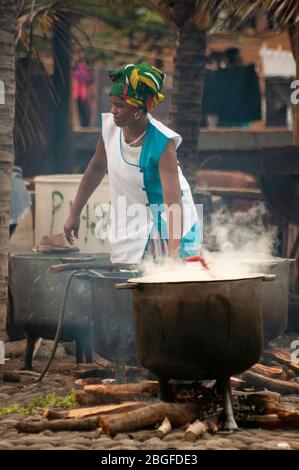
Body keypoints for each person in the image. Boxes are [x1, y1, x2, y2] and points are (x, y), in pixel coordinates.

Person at [64, 63, 201, 265]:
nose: (113, 111)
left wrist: (174, 254)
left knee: (167, 285)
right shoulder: (110, 128)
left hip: (171, 227)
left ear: (138, 109)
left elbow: (173, 202)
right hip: (131, 225)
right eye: (112, 104)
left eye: (120, 106)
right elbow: (97, 167)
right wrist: (74, 213)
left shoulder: (162, 143)